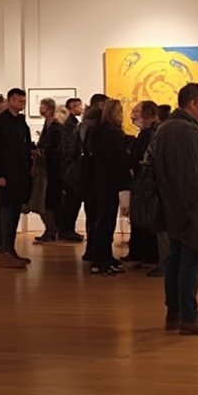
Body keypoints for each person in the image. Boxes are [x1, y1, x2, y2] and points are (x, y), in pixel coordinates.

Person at [153, 83, 198, 336]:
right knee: (191, 262)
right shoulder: (191, 133)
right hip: (190, 208)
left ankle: (175, 312)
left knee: (175, 259)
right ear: (192, 103)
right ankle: (188, 316)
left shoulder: (165, 128)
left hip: (172, 206)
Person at [0, 88, 33, 269]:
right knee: (6, 213)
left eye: (24, 101)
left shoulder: (21, 122)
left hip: (20, 176)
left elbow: (24, 145)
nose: (23, 104)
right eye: (20, 101)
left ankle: (10, 249)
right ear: (11, 100)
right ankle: (4, 250)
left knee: (14, 214)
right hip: (6, 177)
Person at [86, 99, 134, 275]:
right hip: (110, 181)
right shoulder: (111, 133)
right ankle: (101, 260)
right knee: (106, 222)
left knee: (103, 221)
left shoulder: (98, 130)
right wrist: (132, 157)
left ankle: (103, 257)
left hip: (101, 180)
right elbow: (119, 159)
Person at [126, 100, 162, 269]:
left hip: (148, 184)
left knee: (147, 218)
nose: (133, 115)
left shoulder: (152, 133)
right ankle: (141, 253)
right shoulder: (146, 133)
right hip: (142, 183)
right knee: (141, 218)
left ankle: (149, 255)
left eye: (137, 112)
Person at [74, 94, 108, 261]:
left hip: (87, 174)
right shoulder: (97, 125)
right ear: (100, 105)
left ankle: (91, 248)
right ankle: (97, 250)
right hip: (96, 174)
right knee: (99, 213)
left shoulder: (84, 124)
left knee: (92, 213)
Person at [32, 98, 64, 243]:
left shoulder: (55, 128)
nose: (40, 109)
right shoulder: (48, 125)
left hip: (52, 171)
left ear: (50, 109)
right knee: (46, 201)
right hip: (47, 169)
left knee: (49, 201)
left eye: (43, 107)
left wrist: (42, 152)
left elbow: (54, 149)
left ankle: (51, 230)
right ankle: (51, 229)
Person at [56, 97, 85, 242]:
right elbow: (69, 148)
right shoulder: (71, 125)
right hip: (71, 169)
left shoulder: (72, 124)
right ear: (72, 108)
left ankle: (68, 229)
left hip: (70, 168)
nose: (81, 108)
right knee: (71, 202)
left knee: (72, 201)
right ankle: (66, 230)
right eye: (78, 106)